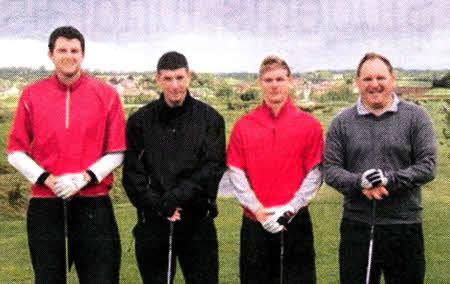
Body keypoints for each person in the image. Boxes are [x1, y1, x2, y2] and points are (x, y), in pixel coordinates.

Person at [7, 26, 125, 283]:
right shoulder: (31, 95)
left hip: (93, 202)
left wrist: (83, 178)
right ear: (50, 54)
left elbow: (117, 151)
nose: (68, 56)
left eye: (74, 50)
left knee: (101, 278)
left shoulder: (107, 94)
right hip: (45, 203)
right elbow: (15, 152)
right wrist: (48, 179)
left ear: (83, 54)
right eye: (62, 50)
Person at [323, 52, 436, 284]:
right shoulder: (342, 121)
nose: (374, 84)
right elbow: (331, 169)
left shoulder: (417, 117)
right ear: (357, 83)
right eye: (367, 79)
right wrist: (359, 182)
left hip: (404, 226)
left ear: (392, 79)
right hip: (358, 227)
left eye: (380, 78)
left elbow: (427, 166)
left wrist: (388, 180)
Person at [122, 51, 226, 284]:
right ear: (158, 79)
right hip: (154, 221)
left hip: (197, 221)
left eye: (179, 78)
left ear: (189, 76)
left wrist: (176, 197)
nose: (175, 85)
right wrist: (161, 205)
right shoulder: (140, 121)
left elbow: (213, 168)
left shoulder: (210, 119)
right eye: (168, 79)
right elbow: (132, 176)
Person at [225, 55, 323, 283]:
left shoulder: (309, 124)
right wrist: (258, 210)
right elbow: (236, 172)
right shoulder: (243, 124)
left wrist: (290, 209)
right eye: (268, 80)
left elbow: (315, 173)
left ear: (290, 82)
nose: (275, 85)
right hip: (255, 222)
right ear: (260, 83)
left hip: (294, 221)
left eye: (280, 79)